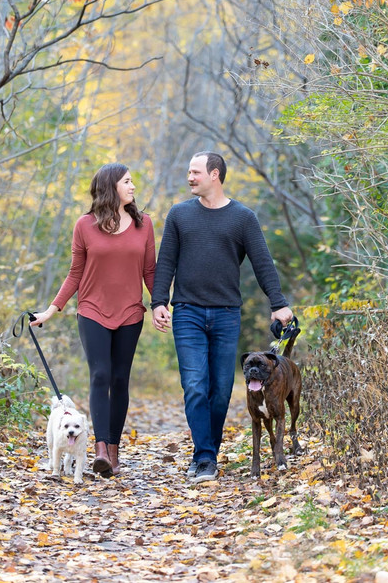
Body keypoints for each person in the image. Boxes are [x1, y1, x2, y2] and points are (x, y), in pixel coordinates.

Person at [151, 151, 293, 483]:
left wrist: (279, 302)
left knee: (221, 388)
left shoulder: (243, 217)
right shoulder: (179, 215)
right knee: (195, 385)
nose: (189, 177)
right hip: (187, 313)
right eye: (188, 171)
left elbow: (262, 263)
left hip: (227, 315)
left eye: (195, 172)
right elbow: (166, 261)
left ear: (215, 174)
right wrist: (159, 301)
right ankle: (204, 458)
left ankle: (207, 453)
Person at [31, 163, 155, 477]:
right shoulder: (84, 225)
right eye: (127, 181)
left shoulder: (145, 225)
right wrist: (51, 309)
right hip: (92, 311)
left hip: (130, 312)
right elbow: (75, 273)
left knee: (119, 379)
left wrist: (162, 305)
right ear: (111, 186)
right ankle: (100, 448)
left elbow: (150, 272)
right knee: (100, 374)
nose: (133, 186)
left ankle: (113, 450)